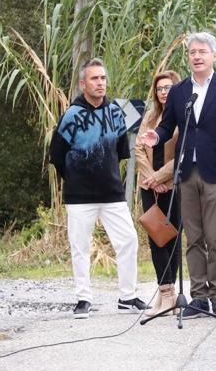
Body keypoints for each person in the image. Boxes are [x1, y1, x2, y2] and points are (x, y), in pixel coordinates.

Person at [140, 32, 216, 319]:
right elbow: (168, 125)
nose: (196, 57)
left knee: (215, 237)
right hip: (186, 171)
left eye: (202, 52)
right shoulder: (179, 91)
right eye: (192, 52)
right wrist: (156, 136)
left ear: (214, 55)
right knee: (194, 237)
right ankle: (198, 297)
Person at [50, 59, 149, 319]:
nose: (100, 83)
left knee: (128, 240)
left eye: (103, 78)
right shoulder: (71, 115)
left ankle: (127, 296)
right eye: (94, 79)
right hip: (80, 195)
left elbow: (119, 152)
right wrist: (74, 179)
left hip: (112, 192)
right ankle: (83, 298)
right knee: (80, 245)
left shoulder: (116, 112)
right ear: (83, 83)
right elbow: (57, 155)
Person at [135, 69, 182, 318]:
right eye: (160, 88)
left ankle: (171, 293)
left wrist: (161, 176)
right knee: (156, 238)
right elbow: (139, 148)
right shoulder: (151, 116)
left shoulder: (182, 116)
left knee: (171, 237)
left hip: (174, 186)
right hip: (150, 187)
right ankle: (164, 292)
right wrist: (151, 178)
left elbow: (183, 153)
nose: (164, 92)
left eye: (168, 88)